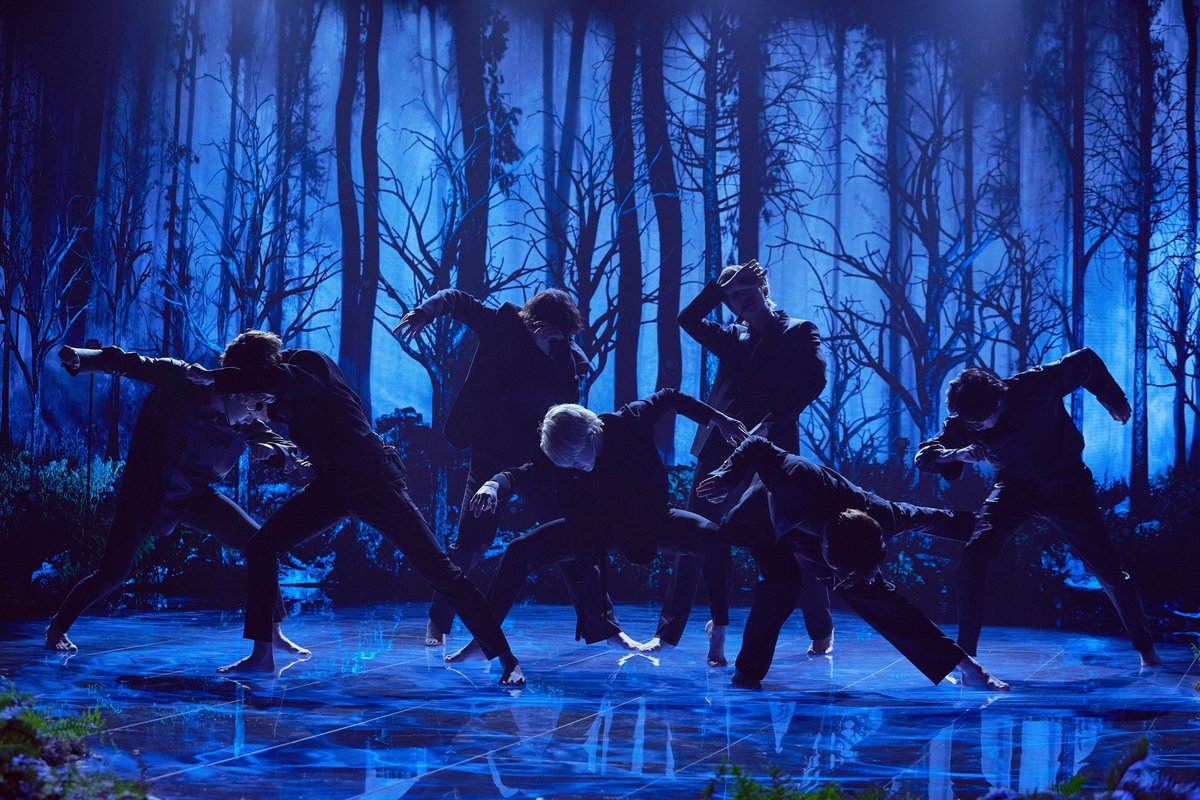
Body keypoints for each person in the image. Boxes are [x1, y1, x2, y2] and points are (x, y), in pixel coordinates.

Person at [186, 330, 525, 685]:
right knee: (262, 546)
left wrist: (216, 377)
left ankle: (507, 659)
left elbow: (285, 381)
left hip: (373, 482)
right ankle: (262, 655)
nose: (253, 399)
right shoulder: (277, 396)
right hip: (333, 487)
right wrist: (294, 458)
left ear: (261, 366)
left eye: (249, 385)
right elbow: (319, 432)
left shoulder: (308, 365)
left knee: (440, 572)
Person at [392, 289, 634, 650]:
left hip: (540, 459)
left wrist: (562, 358)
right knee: (470, 545)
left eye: (564, 335)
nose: (557, 340)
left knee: (571, 540)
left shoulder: (563, 355)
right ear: (534, 322)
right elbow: (459, 300)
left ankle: (606, 628)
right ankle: (438, 622)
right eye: (551, 331)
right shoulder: (502, 325)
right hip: (491, 454)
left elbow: (567, 406)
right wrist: (426, 311)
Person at [444, 389, 749, 666]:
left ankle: (717, 630)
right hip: (597, 530)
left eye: (575, 461)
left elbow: (670, 397)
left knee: (713, 538)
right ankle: (483, 641)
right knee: (518, 552)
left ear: (591, 436)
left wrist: (719, 420)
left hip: (652, 521)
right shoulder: (565, 452)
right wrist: (492, 486)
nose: (574, 468)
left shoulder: (630, 419)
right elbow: (523, 471)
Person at [45, 345, 305, 656]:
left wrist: (274, 452)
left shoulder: (246, 419)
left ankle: (272, 632)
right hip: (146, 492)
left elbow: (287, 449)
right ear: (234, 389)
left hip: (193, 495)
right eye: (251, 403)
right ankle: (58, 626)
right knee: (113, 573)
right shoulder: (186, 379)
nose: (255, 413)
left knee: (259, 543)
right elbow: (133, 363)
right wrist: (84, 358)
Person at [697, 436, 1007, 691]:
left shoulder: (879, 514)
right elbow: (757, 445)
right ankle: (747, 674)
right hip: (767, 521)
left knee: (878, 598)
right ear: (827, 547)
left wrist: (970, 525)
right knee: (782, 585)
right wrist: (726, 476)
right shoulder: (798, 476)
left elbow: (922, 516)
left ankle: (968, 668)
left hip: (817, 533)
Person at [915, 350, 1161, 667]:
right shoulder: (967, 421)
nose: (978, 428)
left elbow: (1085, 361)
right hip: (1015, 489)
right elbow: (925, 456)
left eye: (982, 421)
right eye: (971, 424)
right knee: (974, 558)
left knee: (1108, 571)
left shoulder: (1034, 385)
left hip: (1068, 486)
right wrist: (956, 455)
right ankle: (966, 659)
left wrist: (1114, 399)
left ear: (998, 401)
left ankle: (1147, 651)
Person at [652, 259, 830, 664]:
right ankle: (668, 634)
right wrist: (718, 289)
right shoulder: (732, 336)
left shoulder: (799, 331)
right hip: (721, 448)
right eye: (732, 298)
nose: (740, 302)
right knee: (693, 535)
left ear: (764, 289)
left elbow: (815, 380)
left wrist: (771, 423)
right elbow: (687, 319)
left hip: (773, 449)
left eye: (746, 292)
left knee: (796, 538)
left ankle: (821, 629)